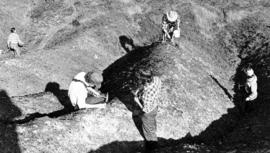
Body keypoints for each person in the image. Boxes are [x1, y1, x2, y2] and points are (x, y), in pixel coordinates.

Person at [132, 69, 162, 152]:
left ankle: (153, 147)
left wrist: (137, 100)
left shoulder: (147, 95)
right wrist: (138, 90)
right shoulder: (156, 79)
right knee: (152, 122)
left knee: (148, 130)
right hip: (155, 106)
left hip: (148, 112)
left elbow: (145, 109)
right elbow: (147, 85)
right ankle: (153, 132)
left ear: (143, 80)